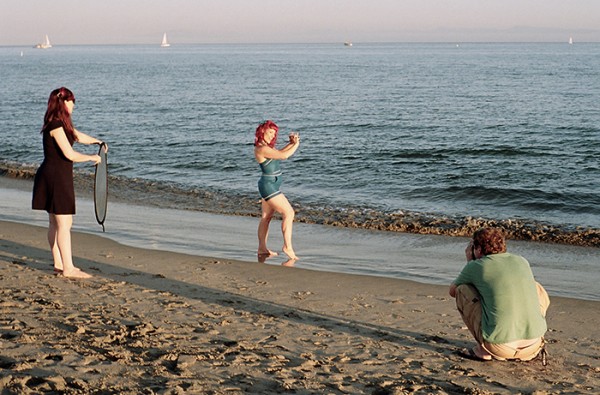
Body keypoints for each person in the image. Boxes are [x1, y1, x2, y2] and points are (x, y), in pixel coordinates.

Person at [32, 87, 106, 279]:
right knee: (64, 223)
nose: (73, 104)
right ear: (63, 102)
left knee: (55, 223)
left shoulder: (59, 124)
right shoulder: (56, 126)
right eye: (71, 101)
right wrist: (92, 158)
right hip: (56, 178)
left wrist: (98, 142)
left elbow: (78, 136)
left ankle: (58, 262)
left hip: (51, 175)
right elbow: (69, 154)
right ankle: (68, 268)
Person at [449, 227, 550, 362]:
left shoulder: (477, 265)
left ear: (478, 249)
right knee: (535, 286)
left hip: (499, 348)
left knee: (462, 290)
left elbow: (453, 291)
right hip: (533, 346)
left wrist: (470, 262)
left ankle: (482, 351)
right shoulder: (521, 261)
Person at [253, 120, 300, 261]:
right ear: (262, 131)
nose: (272, 135)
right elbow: (284, 156)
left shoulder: (265, 147)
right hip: (269, 186)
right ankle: (288, 247)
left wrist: (291, 144)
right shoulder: (261, 148)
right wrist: (296, 144)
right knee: (289, 213)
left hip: (269, 185)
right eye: (270, 131)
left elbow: (279, 153)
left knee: (266, 217)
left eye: (274, 133)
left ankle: (262, 248)